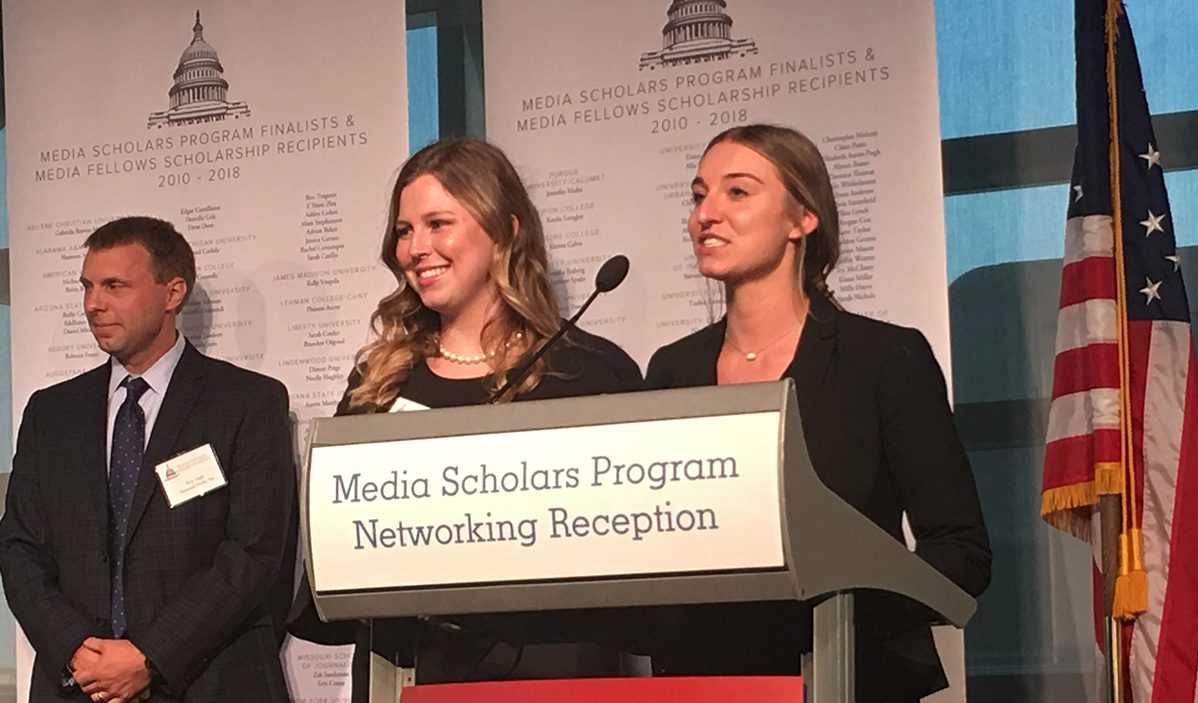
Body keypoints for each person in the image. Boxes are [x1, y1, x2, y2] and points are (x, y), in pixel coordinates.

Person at [643, 124, 992, 702]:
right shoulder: (671, 370)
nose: (707, 213)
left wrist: (845, 609)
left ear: (802, 219)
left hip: (851, 675)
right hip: (706, 680)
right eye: (698, 194)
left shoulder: (883, 358)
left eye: (737, 192)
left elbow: (961, 552)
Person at [288, 138, 642, 694]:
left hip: (551, 669)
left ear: (506, 230)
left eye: (438, 224)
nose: (415, 248)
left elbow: (632, 549)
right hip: (408, 669)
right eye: (405, 231)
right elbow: (332, 542)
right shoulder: (379, 382)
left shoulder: (587, 372)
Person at [0, 216, 296, 703]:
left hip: (209, 682)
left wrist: (148, 655)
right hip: (80, 687)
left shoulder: (246, 402)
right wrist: (76, 650)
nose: (94, 304)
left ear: (173, 292)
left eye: (114, 286)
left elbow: (253, 551)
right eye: (88, 287)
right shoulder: (51, 413)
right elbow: (19, 548)